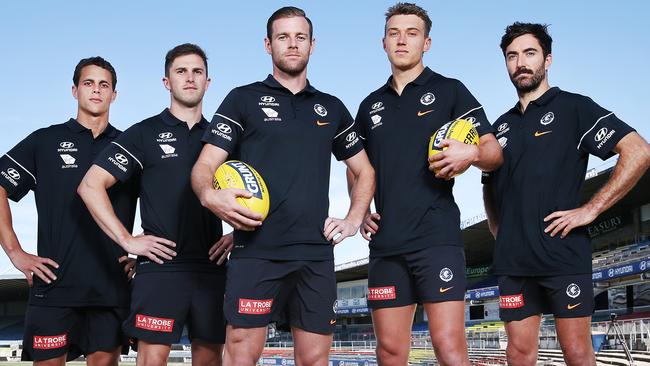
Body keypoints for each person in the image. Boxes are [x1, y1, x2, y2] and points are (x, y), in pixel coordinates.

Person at [191, 6, 375, 365]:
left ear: (312, 45)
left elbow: (364, 171)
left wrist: (353, 219)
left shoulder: (331, 107)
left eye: (300, 37)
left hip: (315, 254)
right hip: (257, 251)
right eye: (283, 37)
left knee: (315, 359)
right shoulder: (242, 99)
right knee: (241, 350)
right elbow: (204, 165)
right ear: (267, 44)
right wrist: (209, 195)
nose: (292, 45)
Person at [482, 22, 650, 366]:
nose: (521, 63)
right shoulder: (499, 126)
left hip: (563, 255)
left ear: (548, 59)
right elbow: (487, 181)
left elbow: (638, 151)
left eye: (529, 53)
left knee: (576, 353)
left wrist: (590, 209)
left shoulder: (574, 107)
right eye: (512, 56)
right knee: (518, 354)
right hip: (514, 262)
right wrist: (497, 230)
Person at [348, 3, 502, 365]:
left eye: (411, 33)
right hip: (386, 245)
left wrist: (470, 153)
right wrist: (362, 209)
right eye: (394, 33)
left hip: (436, 239)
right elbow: (355, 167)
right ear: (383, 42)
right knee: (389, 352)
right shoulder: (370, 106)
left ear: (427, 43)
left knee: (449, 346)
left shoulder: (450, 90)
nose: (402, 40)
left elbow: (494, 152)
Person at [78, 44, 228, 366]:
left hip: (212, 269)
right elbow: (90, 185)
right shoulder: (144, 133)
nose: (189, 78)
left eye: (197, 72)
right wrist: (128, 240)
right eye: (181, 71)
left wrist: (237, 236)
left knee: (211, 361)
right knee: (151, 361)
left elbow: (257, 191)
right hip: (161, 270)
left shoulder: (223, 136)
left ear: (208, 81)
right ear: (166, 82)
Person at [0, 57, 137, 365]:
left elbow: (163, 199)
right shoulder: (44, 141)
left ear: (114, 94)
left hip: (110, 288)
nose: (97, 91)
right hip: (54, 287)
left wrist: (141, 252)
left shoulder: (129, 146)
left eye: (105, 85)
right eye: (88, 83)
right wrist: (14, 252)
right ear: (74, 90)